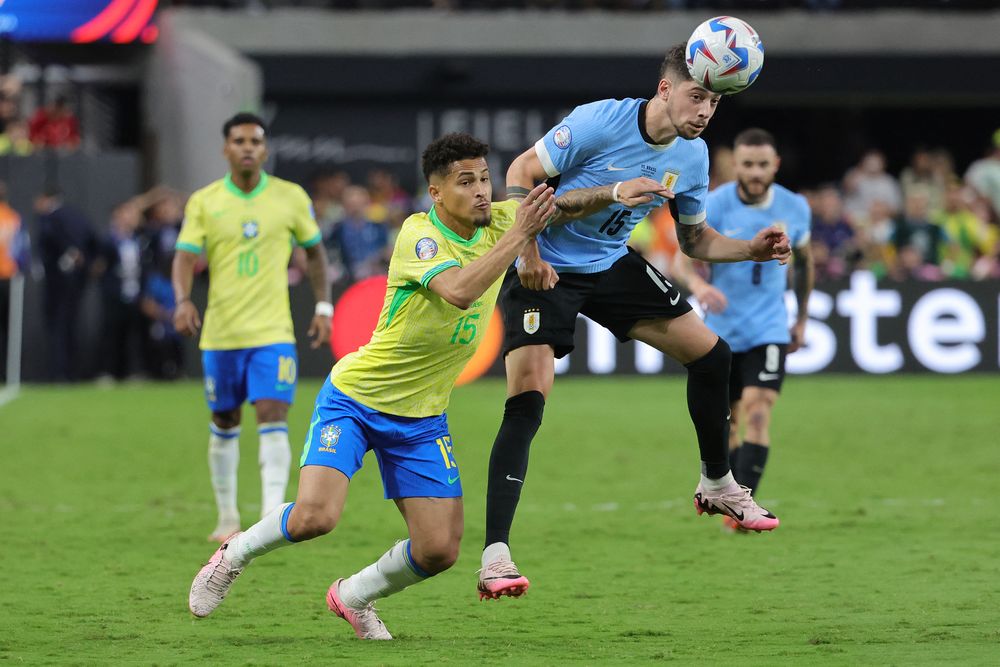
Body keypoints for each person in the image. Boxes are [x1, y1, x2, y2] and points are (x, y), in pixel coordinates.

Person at [187, 133, 561, 639]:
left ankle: (354, 595)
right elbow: (457, 290)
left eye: (485, 179)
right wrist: (521, 239)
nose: (479, 191)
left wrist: (618, 190)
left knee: (439, 550)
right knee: (315, 517)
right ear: (435, 191)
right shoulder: (418, 235)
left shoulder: (498, 221)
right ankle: (234, 554)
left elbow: (564, 204)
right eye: (465, 181)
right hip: (357, 400)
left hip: (422, 418)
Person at [478, 44, 791, 601]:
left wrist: (750, 250)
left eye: (714, 103)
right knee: (528, 396)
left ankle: (717, 482)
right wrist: (525, 252)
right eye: (697, 96)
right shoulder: (601, 121)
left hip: (611, 263)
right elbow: (521, 171)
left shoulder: (692, 157)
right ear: (665, 89)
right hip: (544, 265)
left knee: (712, 355)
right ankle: (495, 554)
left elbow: (695, 240)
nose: (704, 111)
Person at [172, 112, 332, 542]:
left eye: (255, 141)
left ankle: (268, 516)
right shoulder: (204, 201)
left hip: (272, 332)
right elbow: (185, 256)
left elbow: (315, 253)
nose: (247, 147)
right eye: (239, 140)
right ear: (226, 149)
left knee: (272, 412)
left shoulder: (290, 197)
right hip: (221, 334)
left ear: (265, 149)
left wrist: (323, 306)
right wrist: (183, 299)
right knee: (224, 419)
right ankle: (226, 517)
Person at [671, 129, 814, 532]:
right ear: (735, 165)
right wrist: (700, 286)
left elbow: (804, 263)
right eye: (747, 164)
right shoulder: (713, 203)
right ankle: (732, 499)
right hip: (722, 332)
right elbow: (681, 258)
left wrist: (800, 319)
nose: (754, 172)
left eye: (762, 164)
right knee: (729, 423)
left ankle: (744, 506)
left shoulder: (795, 207)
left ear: (776, 166)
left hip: (769, 327)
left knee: (757, 413)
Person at [35, 186, 96, 381]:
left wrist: (71, 254)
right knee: (70, 326)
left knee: (57, 327)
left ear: (46, 198)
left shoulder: (50, 219)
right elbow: (93, 240)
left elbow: (51, 241)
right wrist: (86, 261)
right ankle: (73, 372)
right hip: (76, 282)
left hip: (57, 283)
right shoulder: (78, 216)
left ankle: (59, 372)